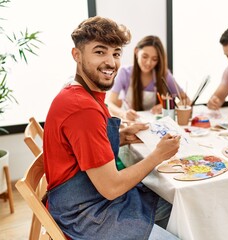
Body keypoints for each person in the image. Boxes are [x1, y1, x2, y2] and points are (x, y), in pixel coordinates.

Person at [43, 16, 181, 240]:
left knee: (179, 205)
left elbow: (83, 146)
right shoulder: (82, 108)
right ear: (76, 55)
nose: (111, 62)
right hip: (85, 213)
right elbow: (112, 187)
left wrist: (122, 137)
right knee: (177, 219)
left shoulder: (79, 90)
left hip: (94, 199)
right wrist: (158, 155)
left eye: (116, 53)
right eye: (99, 52)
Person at [106, 35, 190, 121]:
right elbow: (110, 103)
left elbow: (186, 99)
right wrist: (123, 113)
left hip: (155, 124)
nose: (148, 63)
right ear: (136, 51)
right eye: (145, 57)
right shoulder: (124, 72)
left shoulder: (164, 74)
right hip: (130, 123)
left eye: (154, 59)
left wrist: (167, 106)